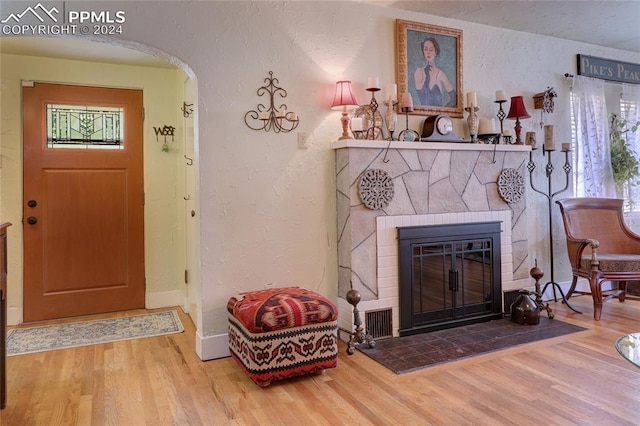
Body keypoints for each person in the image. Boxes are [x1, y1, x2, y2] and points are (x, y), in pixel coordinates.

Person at [414, 37, 456, 107]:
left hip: (439, 116)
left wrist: (443, 111)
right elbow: (421, 97)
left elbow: (454, 98)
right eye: (425, 49)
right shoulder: (419, 72)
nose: (428, 52)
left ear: (435, 52)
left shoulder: (440, 74)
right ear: (423, 52)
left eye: (431, 50)